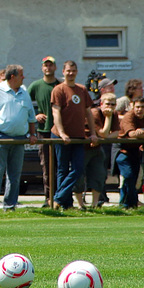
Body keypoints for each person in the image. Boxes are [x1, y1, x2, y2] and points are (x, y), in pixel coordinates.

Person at [0, 64, 37, 212]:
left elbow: (31, 116)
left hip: (19, 138)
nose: (24, 77)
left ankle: (10, 206)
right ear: (13, 77)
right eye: (21, 75)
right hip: (1, 139)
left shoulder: (24, 91)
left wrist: (32, 134)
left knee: (15, 175)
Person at [50, 60, 98, 210]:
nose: (71, 73)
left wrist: (93, 133)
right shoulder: (58, 90)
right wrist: (62, 133)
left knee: (77, 169)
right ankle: (66, 204)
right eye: (68, 71)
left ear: (77, 72)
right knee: (62, 170)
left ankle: (58, 198)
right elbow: (56, 112)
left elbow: (88, 113)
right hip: (60, 136)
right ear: (63, 72)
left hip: (78, 136)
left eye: (73, 70)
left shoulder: (82, 89)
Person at [73, 93, 120, 208]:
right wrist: (108, 120)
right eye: (107, 104)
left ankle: (94, 204)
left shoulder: (113, 114)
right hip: (83, 147)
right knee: (79, 175)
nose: (110, 107)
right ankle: (80, 205)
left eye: (113, 104)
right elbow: (103, 133)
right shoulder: (95, 113)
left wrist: (104, 137)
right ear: (101, 104)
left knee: (99, 174)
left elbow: (116, 133)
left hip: (97, 147)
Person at [28, 56, 60, 207]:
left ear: (55, 67)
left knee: (61, 166)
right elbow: (23, 103)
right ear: (42, 68)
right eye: (45, 65)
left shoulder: (60, 85)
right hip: (43, 131)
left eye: (51, 65)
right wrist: (35, 115)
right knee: (47, 166)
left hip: (60, 132)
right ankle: (48, 198)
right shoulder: (36, 86)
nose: (48, 68)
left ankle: (61, 198)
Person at [117, 97, 144, 209]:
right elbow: (131, 134)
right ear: (132, 107)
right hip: (121, 150)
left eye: (142, 107)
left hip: (136, 151)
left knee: (134, 179)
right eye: (137, 107)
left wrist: (143, 133)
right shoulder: (128, 116)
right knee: (128, 176)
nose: (140, 109)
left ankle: (128, 205)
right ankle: (127, 204)